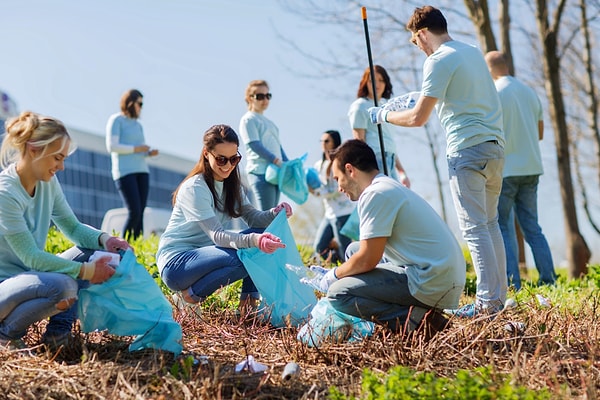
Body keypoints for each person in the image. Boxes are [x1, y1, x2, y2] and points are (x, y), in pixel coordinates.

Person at [368, 5, 506, 317]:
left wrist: (384, 116)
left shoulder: (437, 60)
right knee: (491, 224)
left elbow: (418, 119)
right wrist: (420, 94)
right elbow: (457, 94)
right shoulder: (470, 51)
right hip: (495, 148)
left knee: (474, 228)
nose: (416, 48)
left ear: (422, 34)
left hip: (466, 150)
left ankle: (486, 305)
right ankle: (497, 300)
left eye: (414, 42)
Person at [0, 111, 130, 349]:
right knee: (64, 286)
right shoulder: (5, 194)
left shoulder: (47, 183)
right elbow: (31, 257)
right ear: (34, 149)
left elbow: (71, 227)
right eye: (57, 158)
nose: (61, 167)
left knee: (95, 253)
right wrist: (86, 271)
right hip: (3, 288)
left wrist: (106, 240)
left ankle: (57, 338)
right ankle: (6, 336)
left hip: (28, 277)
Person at [317, 139, 465, 334]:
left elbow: (368, 260)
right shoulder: (386, 186)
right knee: (353, 250)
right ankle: (415, 312)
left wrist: (333, 275)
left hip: (432, 280)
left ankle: (419, 322)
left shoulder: (375, 194)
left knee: (339, 294)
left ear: (350, 170)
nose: (339, 188)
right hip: (440, 273)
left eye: (337, 179)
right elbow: (363, 253)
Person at [156, 124, 292, 317]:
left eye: (234, 158)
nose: (228, 165)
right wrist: (254, 241)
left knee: (259, 241)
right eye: (221, 159)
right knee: (248, 255)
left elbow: (254, 218)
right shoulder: (195, 188)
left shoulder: (232, 186)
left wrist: (274, 213)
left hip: (206, 257)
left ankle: (247, 309)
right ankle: (189, 297)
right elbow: (218, 236)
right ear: (206, 153)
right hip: (177, 264)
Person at [485, 51, 556, 291]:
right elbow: (540, 133)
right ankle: (549, 280)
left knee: (503, 226)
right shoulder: (529, 92)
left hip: (506, 170)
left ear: (491, 69)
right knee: (532, 227)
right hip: (532, 168)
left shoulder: (494, 94)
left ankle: (513, 284)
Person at [106, 89, 159, 240]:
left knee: (140, 211)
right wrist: (136, 148)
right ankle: (124, 246)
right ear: (130, 103)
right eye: (139, 103)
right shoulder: (116, 120)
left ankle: (137, 247)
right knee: (134, 211)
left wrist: (148, 152)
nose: (141, 107)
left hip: (142, 171)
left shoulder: (138, 125)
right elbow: (112, 146)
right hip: (124, 172)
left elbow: (140, 149)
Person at [348, 65, 410, 187]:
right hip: (375, 160)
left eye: (381, 80)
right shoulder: (360, 106)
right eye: (372, 80)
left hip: (390, 159)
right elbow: (359, 141)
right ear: (365, 82)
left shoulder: (387, 107)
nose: (377, 84)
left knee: (396, 199)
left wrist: (401, 171)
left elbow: (388, 142)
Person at [239, 80, 288, 210]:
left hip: (276, 172)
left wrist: (287, 163)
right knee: (266, 215)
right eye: (260, 96)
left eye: (268, 96)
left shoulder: (271, 123)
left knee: (273, 215)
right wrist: (275, 159)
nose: (265, 99)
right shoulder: (248, 119)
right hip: (260, 172)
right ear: (250, 98)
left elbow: (278, 147)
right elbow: (254, 144)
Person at [311, 130, 355, 264]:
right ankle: (339, 265)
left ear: (335, 142)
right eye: (321, 141)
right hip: (329, 213)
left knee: (345, 250)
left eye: (327, 141)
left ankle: (350, 272)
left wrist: (319, 192)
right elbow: (317, 185)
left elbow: (339, 187)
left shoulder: (340, 162)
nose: (323, 144)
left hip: (343, 212)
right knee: (319, 247)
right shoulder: (318, 165)